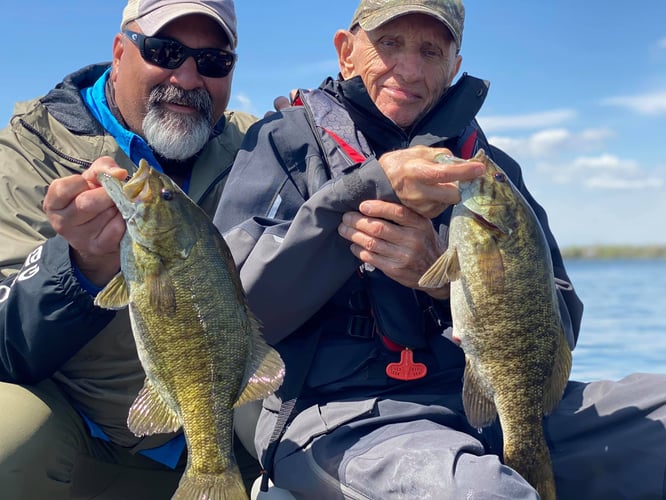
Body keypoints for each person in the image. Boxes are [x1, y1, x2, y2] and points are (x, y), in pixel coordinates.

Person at [214, 1, 666, 498]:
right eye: (389, 43)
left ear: (453, 67)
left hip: (491, 404)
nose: (409, 68)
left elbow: (559, 322)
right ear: (346, 52)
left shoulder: (489, 173)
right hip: (343, 415)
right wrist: (371, 188)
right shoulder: (284, 144)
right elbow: (226, 318)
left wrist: (445, 280)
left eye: (431, 50)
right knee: (488, 494)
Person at [0, 0, 277, 497]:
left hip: (227, 435)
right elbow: (4, 347)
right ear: (119, 51)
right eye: (165, 51)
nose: (189, 77)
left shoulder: (260, 145)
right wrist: (76, 267)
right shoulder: (26, 152)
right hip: (85, 438)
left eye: (214, 62)